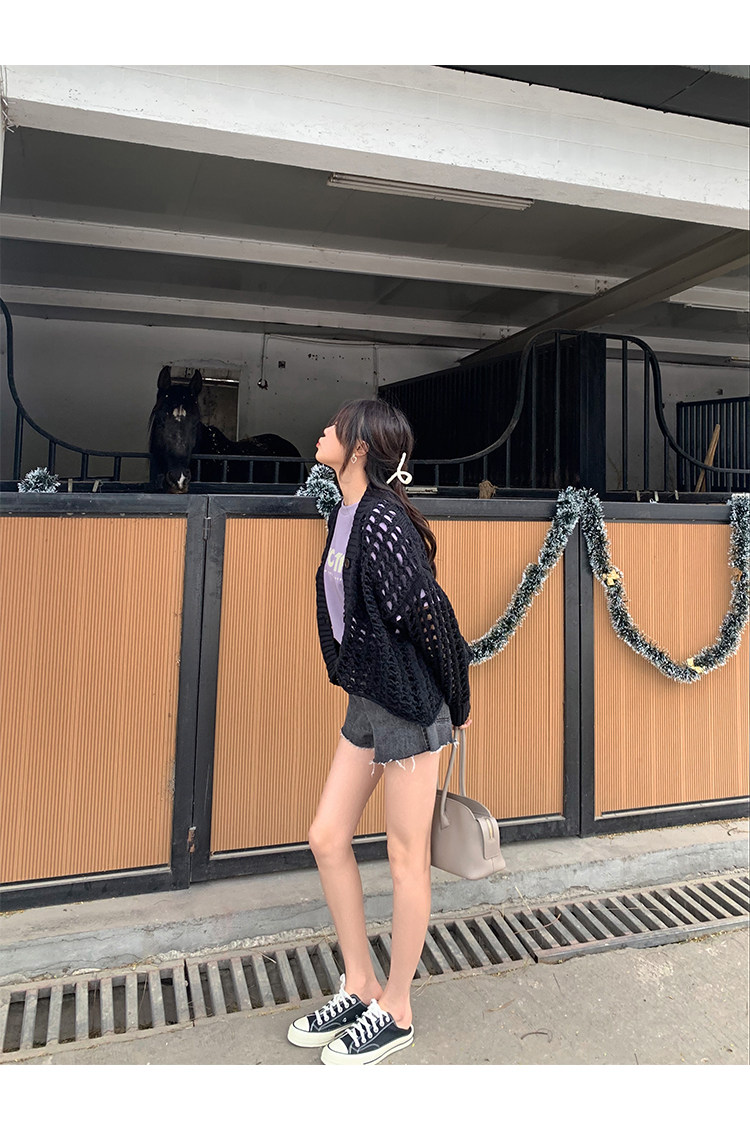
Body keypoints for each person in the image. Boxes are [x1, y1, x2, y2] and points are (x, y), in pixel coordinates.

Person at [287, 398, 472, 1065]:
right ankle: (361, 983)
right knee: (327, 836)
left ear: (360, 446)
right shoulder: (345, 513)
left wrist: (455, 699)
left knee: (404, 856)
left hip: (412, 706)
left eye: (334, 427)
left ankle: (396, 1008)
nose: (323, 431)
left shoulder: (382, 518)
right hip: (371, 699)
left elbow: (429, 611)